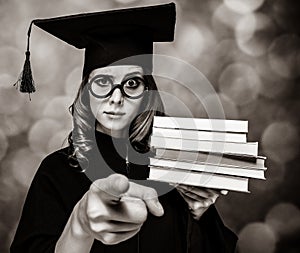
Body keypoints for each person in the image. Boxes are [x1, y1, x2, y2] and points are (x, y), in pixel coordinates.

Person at [10, 3, 237, 253]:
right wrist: (80, 225)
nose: (116, 98)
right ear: (85, 91)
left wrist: (199, 213)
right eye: (103, 82)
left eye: (131, 83)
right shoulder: (57, 171)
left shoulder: (173, 168)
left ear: (147, 93)